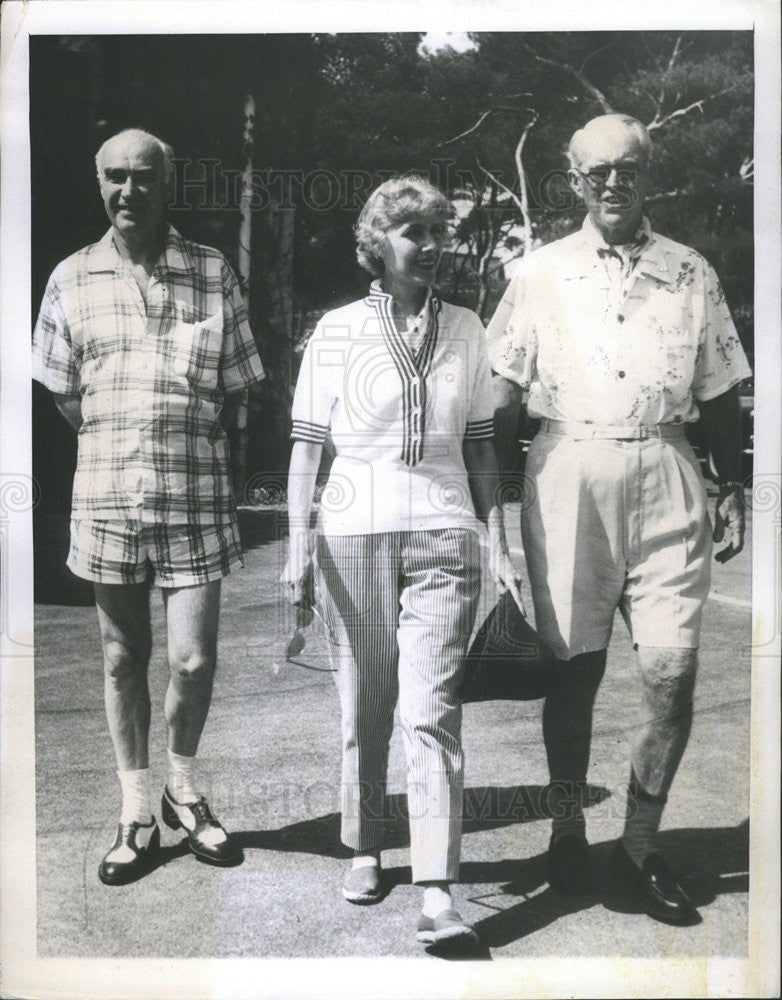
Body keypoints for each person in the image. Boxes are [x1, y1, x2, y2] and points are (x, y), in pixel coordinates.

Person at [487, 114, 751, 924]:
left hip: (669, 471)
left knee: (672, 676)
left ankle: (641, 847)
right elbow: (499, 401)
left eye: (628, 169)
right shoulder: (537, 273)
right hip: (568, 472)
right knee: (575, 671)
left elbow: (720, 394)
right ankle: (568, 828)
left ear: (647, 176)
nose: (613, 183)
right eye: (597, 171)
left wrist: (732, 485)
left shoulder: (690, 270)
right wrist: (494, 511)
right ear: (572, 180)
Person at [283, 176, 523, 946]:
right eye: (413, 231)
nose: (430, 245)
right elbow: (306, 450)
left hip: (445, 536)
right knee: (366, 704)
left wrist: (502, 539)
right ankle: (363, 843)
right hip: (352, 535)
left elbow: (483, 443)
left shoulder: (468, 326)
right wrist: (295, 549)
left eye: (438, 231)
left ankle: (437, 886)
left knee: (432, 711)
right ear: (377, 244)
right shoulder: (339, 329)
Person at [32, 129, 265, 885]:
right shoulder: (71, 277)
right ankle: (137, 810)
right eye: (115, 178)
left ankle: (183, 789)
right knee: (123, 656)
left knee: (193, 659)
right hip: (106, 493)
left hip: (195, 491)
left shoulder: (211, 270)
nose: (128, 191)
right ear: (98, 183)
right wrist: (122, 437)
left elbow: (238, 383)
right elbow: (67, 394)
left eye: (144, 178)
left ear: (169, 185)